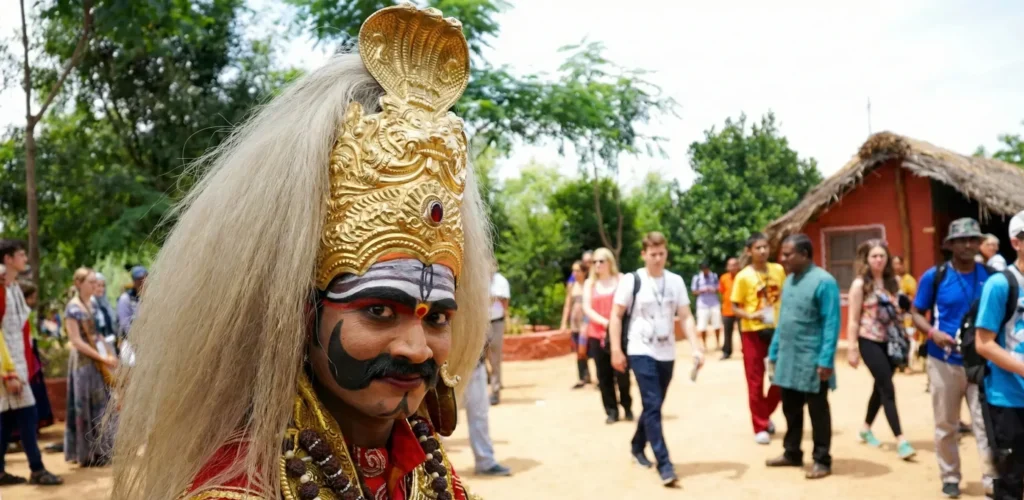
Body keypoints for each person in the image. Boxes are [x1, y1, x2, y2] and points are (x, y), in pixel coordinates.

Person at [109, 6, 492, 499]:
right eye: (378, 310)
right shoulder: (237, 489)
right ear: (301, 313)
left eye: (437, 317)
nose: (417, 349)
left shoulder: (430, 472)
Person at [911, 217, 996, 499]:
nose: (969, 245)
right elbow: (915, 312)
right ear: (950, 245)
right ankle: (949, 477)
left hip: (981, 362)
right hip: (943, 361)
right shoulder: (934, 276)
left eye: (973, 239)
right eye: (962, 240)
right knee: (946, 424)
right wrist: (933, 332)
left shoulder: (990, 278)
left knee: (984, 424)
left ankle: (990, 478)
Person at [609, 231, 701, 486]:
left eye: (661, 254)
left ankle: (637, 445)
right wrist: (616, 349)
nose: (657, 259)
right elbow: (616, 316)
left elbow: (686, 316)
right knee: (652, 402)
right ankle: (665, 464)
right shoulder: (632, 280)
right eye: (653, 254)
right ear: (644, 254)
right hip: (640, 349)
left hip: (666, 351)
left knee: (654, 405)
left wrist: (696, 346)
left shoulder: (675, 282)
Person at [765, 234, 840, 479]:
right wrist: (774, 352)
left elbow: (831, 323)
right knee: (790, 407)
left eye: (788, 254)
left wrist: (826, 360)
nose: (783, 259)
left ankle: (822, 459)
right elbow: (783, 321)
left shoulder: (824, 282)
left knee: (818, 410)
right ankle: (792, 452)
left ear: (805, 254)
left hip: (813, 357)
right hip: (788, 357)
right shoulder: (789, 282)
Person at [846, 240, 917, 460]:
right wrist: (851, 349)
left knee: (880, 386)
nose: (878, 260)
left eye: (882, 256)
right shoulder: (860, 285)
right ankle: (901, 440)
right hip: (869, 341)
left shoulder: (894, 282)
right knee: (887, 387)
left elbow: (903, 310)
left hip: (892, 341)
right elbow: (853, 319)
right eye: (874, 256)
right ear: (866, 259)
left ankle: (865, 429)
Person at [0, 240, 62, 486]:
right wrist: (8, 373)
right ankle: (36, 468)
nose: (25, 258)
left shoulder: (12, 286)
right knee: (27, 414)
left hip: (17, 364)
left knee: (7, 419)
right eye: (21, 255)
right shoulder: (2, 287)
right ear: (8, 259)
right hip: (8, 367)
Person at [974, 211, 1024, 500]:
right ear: (1016, 242)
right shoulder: (1001, 284)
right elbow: (984, 343)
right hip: (1008, 398)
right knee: (1010, 480)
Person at [731, 232, 784, 445]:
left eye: (765, 247)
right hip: (752, 331)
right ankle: (760, 426)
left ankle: (764, 413)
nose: (763, 251)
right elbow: (734, 306)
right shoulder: (743, 276)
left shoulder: (778, 270)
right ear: (749, 251)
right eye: (758, 248)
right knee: (755, 380)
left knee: (780, 378)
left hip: (777, 330)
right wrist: (750, 315)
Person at [64, 267, 117, 467]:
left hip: (97, 360)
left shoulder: (92, 304)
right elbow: (76, 341)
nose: (95, 285)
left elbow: (97, 335)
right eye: (90, 282)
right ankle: (86, 454)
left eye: (95, 282)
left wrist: (108, 354)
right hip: (83, 363)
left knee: (102, 404)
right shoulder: (72, 307)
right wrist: (101, 358)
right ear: (79, 284)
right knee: (84, 404)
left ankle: (102, 451)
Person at [584, 247, 632, 424]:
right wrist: (605, 323)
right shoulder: (590, 284)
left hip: (618, 334)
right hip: (597, 334)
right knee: (603, 376)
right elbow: (587, 308)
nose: (597, 265)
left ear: (609, 262)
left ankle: (627, 405)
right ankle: (611, 410)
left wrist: (614, 324)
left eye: (601, 261)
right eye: (594, 261)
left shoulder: (621, 280)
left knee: (622, 373)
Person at [463, 343, 513, 477]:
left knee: (479, 414)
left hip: (475, 363)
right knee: (438, 417)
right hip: (448, 364)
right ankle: (429, 466)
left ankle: (485, 462)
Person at [561, 260, 591, 388]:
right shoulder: (572, 286)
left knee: (588, 349)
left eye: (578, 270)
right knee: (579, 351)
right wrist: (564, 322)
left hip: (588, 322)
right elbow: (568, 304)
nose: (575, 273)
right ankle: (583, 377)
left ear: (584, 272)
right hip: (575, 322)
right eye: (574, 270)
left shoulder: (590, 285)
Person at [488, 259, 510, 405]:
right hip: (480, 324)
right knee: (477, 359)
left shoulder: (500, 281)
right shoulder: (478, 280)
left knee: (495, 358)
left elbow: (505, 302)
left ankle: (495, 391)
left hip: (496, 322)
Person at [691, 260, 722, 351]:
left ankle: (718, 343)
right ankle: (704, 345)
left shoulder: (714, 276)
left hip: (714, 303)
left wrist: (713, 289)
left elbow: (719, 288)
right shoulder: (697, 278)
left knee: (717, 324)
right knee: (702, 326)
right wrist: (702, 290)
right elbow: (694, 291)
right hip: (702, 305)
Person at [116, 265, 146, 343]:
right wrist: (137, 341)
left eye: (144, 278)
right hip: (130, 342)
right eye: (139, 279)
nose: (142, 281)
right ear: (134, 281)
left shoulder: (151, 297)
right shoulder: (125, 299)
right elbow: (125, 324)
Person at [719, 257, 740, 360]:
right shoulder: (723, 278)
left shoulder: (742, 277)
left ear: (738, 266)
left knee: (743, 332)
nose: (732, 267)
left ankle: (746, 351)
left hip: (741, 310)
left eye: (734, 265)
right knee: (727, 333)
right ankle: (726, 352)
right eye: (730, 265)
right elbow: (722, 291)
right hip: (727, 310)